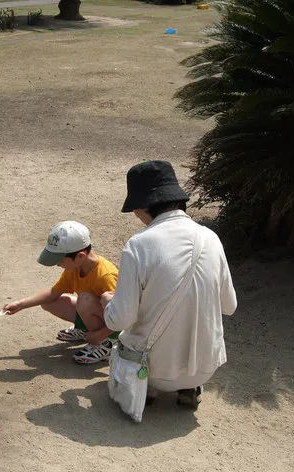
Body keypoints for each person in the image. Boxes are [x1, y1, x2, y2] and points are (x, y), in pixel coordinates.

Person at [100, 160, 237, 409]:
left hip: (153, 370)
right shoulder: (211, 238)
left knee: (123, 325)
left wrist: (108, 303)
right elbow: (229, 306)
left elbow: (119, 320)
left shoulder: (138, 245)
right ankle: (188, 387)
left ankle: (149, 388)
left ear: (142, 206)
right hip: (206, 368)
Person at [2, 221, 119, 364]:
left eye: (61, 260)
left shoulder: (105, 276)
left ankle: (106, 344)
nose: (57, 264)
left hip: (115, 325)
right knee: (49, 302)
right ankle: (85, 329)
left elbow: (124, 315)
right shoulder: (75, 267)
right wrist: (21, 304)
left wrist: (100, 335)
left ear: (80, 256)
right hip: (98, 313)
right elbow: (53, 293)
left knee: (85, 300)